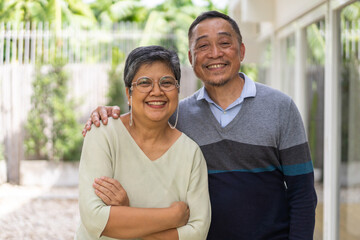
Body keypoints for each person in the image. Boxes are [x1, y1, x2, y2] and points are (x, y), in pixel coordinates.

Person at [83, 11, 317, 239]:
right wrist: (106, 114)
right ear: (191, 58)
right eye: (203, 46)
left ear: (242, 51)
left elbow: (302, 194)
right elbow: (143, 117)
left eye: (224, 43)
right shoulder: (178, 115)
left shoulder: (280, 107)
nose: (215, 53)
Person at [76, 45, 211, 240]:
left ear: (177, 91)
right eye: (145, 83)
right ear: (129, 94)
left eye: (166, 82)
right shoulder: (103, 134)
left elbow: (197, 232)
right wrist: (173, 216)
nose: (156, 91)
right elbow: (95, 219)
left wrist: (125, 217)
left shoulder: (190, 153)